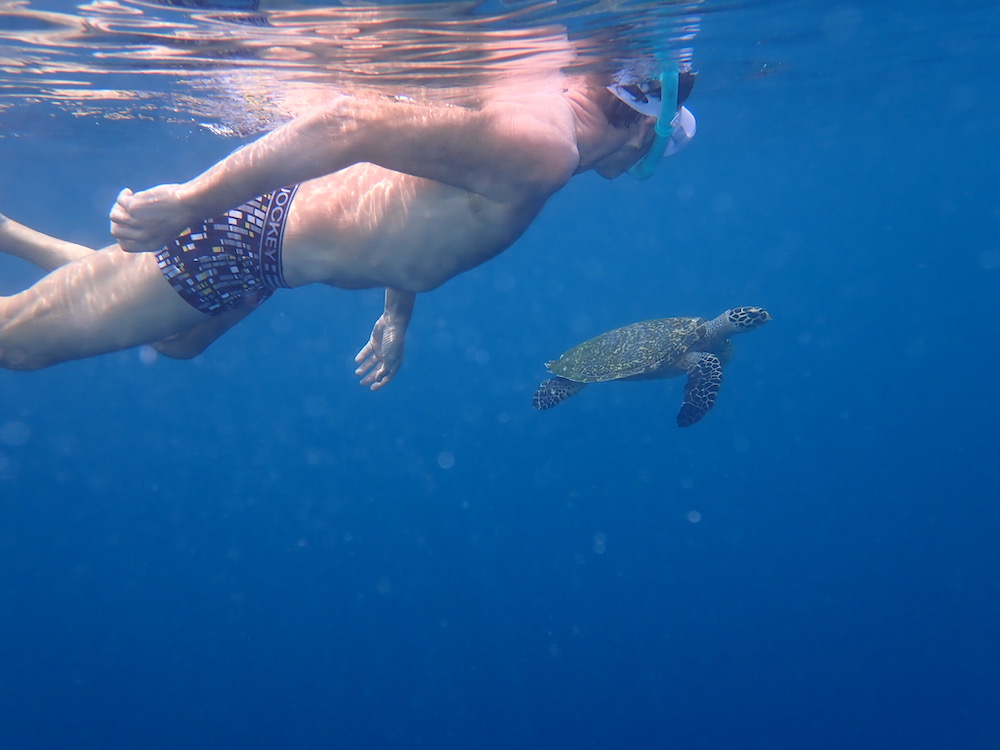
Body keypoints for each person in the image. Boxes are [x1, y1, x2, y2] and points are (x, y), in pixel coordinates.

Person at [0, 65, 696, 388]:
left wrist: (399, 309)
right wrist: (187, 204)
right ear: (642, 128)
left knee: (178, 340)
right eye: (661, 146)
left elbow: (419, 201)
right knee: (18, 345)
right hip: (247, 244)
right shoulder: (543, 150)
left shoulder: (536, 123)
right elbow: (348, 123)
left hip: (263, 253)